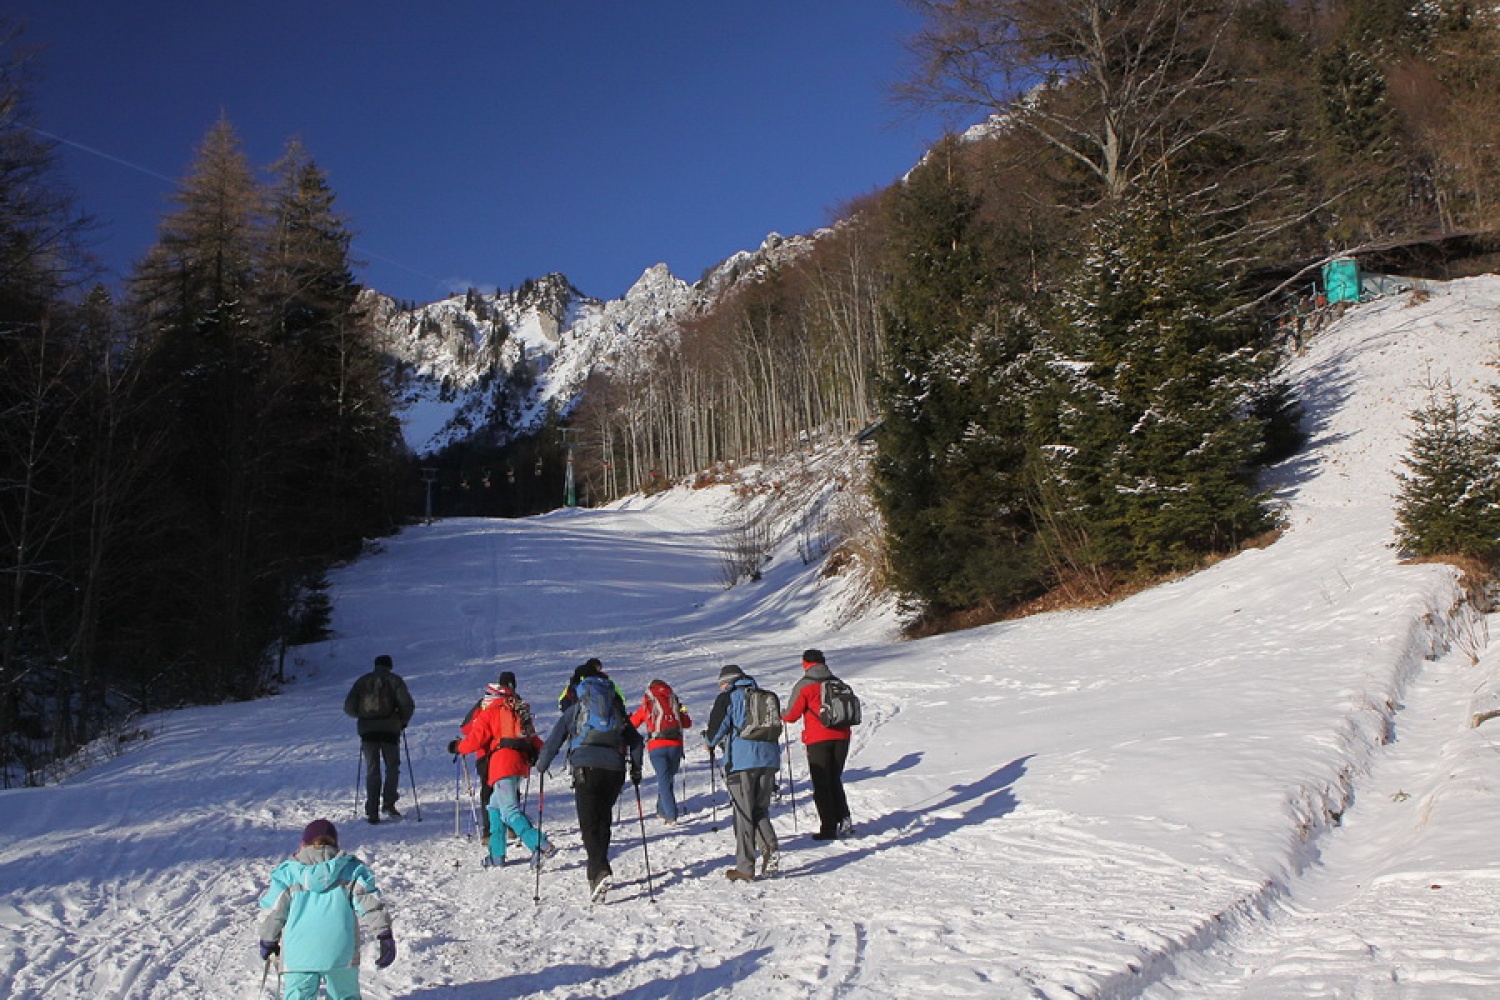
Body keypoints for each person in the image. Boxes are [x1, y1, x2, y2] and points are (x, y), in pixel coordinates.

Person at [536, 660, 644, 901]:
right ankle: (597, 873)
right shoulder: (614, 707)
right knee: (602, 820)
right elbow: (636, 740)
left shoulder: (577, 707)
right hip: (615, 769)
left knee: (589, 824)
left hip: (586, 767)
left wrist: (542, 765)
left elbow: (555, 739)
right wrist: (636, 770)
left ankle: (599, 869)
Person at [258, 818, 395, 1000]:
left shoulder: (288, 873)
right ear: (335, 843)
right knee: (344, 996)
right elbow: (371, 904)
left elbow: (274, 911)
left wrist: (268, 940)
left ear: (303, 844)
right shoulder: (351, 869)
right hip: (340, 953)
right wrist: (384, 934)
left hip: (299, 955)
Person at [449, 674, 555, 867]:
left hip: (501, 766)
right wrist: (546, 754)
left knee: (510, 812)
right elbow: (535, 741)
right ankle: (496, 855)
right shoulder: (517, 711)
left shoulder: (489, 713)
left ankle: (541, 845)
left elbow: (474, 740)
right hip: (519, 765)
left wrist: (458, 747)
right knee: (494, 807)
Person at [705, 664, 781, 881]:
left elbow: (715, 732)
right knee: (760, 810)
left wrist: (708, 741)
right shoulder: (765, 696)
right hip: (769, 759)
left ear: (728, 682)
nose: (720, 687)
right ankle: (771, 849)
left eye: (721, 683)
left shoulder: (730, 697)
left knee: (744, 813)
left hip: (742, 762)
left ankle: (745, 867)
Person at [782, 648, 853, 840]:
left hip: (818, 738)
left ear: (805, 663)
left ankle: (829, 827)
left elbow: (791, 716)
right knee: (834, 778)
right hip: (843, 735)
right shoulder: (838, 682)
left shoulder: (804, 685)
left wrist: (781, 713)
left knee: (822, 783)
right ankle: (844, 818)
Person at [343, 654, 416, 824]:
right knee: (392, 767)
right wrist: (401, 722)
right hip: (390, 730)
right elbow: (407, 705)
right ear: (390, 666)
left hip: (368, 731)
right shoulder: (395, 680)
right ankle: (389, 803)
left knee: (372, 769)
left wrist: (361, 715)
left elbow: (348, 708)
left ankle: (373, 809)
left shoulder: (362, 681)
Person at [459, 671, 515, 840]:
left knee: (488, 793)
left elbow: (466, 728)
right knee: (510, 790)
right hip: (512, 755)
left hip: (486, 756)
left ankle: (488, 832)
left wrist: (460, 747)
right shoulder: (516, 703)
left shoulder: (485, 704)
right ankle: (511, 826)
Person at [629, 679, 692, 824]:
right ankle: (661, 809)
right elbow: (687, 723)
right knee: (667, 779)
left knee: (663, 780)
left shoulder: (648, 704)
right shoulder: (674, 702)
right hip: (676, 745)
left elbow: (633, 724)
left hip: (657, 745)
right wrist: (684, 711)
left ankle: (671, 815)